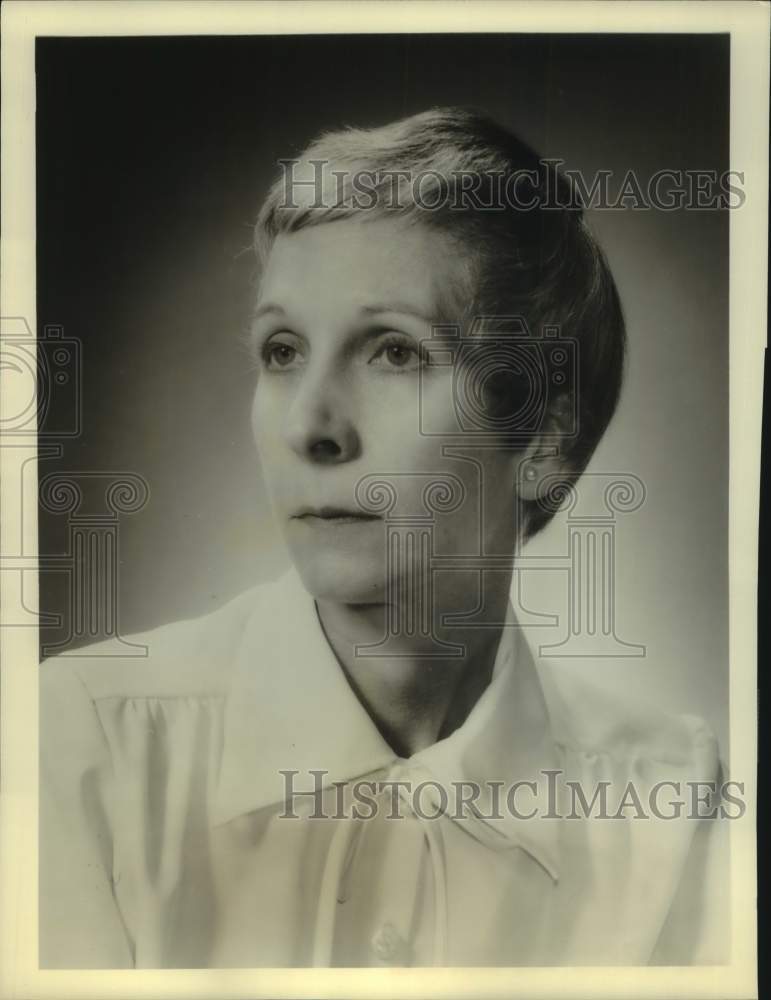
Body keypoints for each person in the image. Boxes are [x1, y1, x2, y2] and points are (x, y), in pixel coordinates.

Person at [39, 108, 727, 968]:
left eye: (394, 353)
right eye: (282, 349)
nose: (310, 426)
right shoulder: (78, 748)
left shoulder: (667, 796)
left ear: (544, 436)